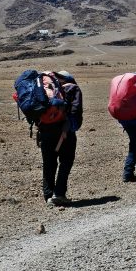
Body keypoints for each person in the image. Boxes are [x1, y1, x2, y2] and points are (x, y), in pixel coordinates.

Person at [39, 71, 82, 206]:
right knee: (66, 161)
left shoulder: (46, 90)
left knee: (49, 163)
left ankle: (48, 196)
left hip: (45, 132)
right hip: (65, 133)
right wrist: (71, 127)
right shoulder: (72, 88)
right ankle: (59, 193)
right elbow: (76, 110)